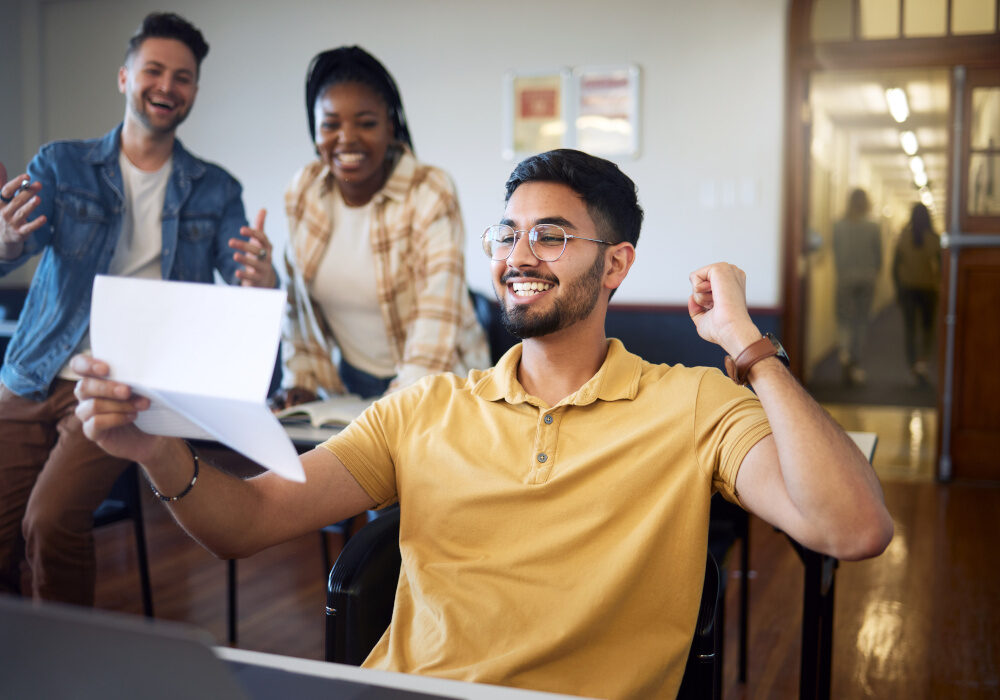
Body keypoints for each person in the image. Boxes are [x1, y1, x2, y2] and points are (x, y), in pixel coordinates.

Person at [73, 149, 893, 699]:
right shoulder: (427, 408)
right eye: (507, 235)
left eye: (552, 235)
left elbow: (851, 527)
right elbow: (247, 522)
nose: (518, 255)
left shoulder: (693, 405)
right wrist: (152, 450)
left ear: (616, 264)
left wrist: (746, 346)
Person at [0, 12, 277, 608]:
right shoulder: (62, 164)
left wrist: (262, 280)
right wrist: (6, 243)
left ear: (194, 93)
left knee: (49, 523)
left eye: (183, 77)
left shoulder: (215, 189)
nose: (167, 86)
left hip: (127, 385)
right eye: (154, 70)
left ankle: (64, 667)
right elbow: (15, 246)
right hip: (33, 372)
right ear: (124, 77)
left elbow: (244, 282)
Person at [272, 46, 488, 406]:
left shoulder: (429, 190)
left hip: (441, 381)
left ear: (391, 126)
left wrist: (398, 403)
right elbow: (299, 308)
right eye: (330, 124)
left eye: (366, 123)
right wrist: (302, 381)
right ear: (315, 130)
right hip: (348, 385)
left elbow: (437, 316)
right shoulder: (303, 191)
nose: (346, 138)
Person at [832, 187, 883, 386]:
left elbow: (836, 252)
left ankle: (844, 353)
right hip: (867, 278)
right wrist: (873, 272)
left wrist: (843, 271)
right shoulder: (873, 226)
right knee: (861, 321)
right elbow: (879, 256)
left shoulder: (838, 226)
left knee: (844, 319)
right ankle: (855, 363)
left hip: (845, 278)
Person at [892, 202, 941, 384]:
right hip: (928, 288)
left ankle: (913, 366)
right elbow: (942, 266)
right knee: (927, 329)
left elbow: (895, 267)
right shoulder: (934, 238)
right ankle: (923, 362)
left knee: (910, 329)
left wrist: (897, 289)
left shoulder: (904, 237)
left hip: (908, 288)